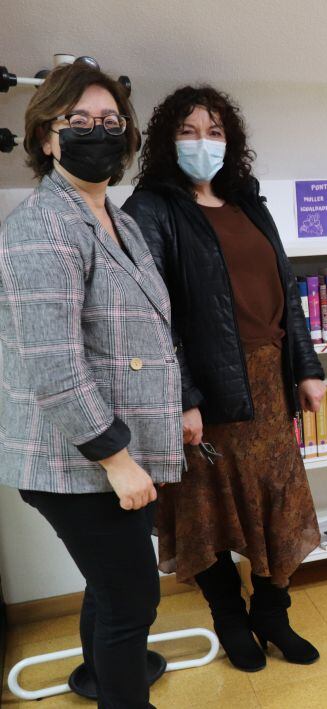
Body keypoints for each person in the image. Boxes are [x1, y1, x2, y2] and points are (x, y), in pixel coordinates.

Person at [123, 86, 326, 671]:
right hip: (205, 389)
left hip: (268, 381)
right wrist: (184, 398)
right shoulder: (151, 209)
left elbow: (288, 292)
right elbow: (150, 315)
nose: (202, 143)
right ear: (167, 140)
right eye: (188, 131)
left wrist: (307, 369)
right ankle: (229, 620)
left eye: (213, 131)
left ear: (229, 140)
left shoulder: (247, 201)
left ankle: (272, 615)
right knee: (206, 508)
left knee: (277, 503)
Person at [0, 62, 183, 708]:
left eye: (110, 122)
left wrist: (178, 406)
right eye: (78, 123)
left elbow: (147, 328)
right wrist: (118, 459)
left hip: (113, 453)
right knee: (133, 599)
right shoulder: (41, 227)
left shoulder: (117, 220)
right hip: (76, 460)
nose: (98, 133)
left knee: (111, 589)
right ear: (47, 138)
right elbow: (55, 366)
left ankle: (99, 677)